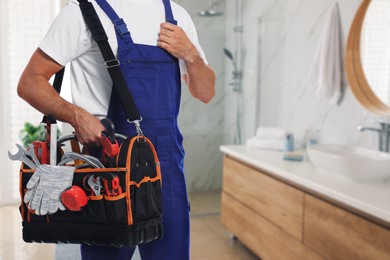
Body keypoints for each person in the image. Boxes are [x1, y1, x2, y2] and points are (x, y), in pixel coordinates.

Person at [17, 0, 216, 259]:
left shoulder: (177, 15)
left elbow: (206, 92)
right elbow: (29, 82)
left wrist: (191, 54)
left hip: (166, 166)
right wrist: (78, 116)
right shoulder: (82, 12)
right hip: (106, 166)